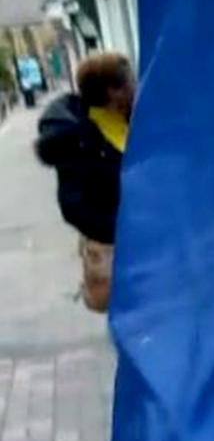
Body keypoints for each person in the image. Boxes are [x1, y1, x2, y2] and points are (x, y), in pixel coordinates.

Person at [34, 52, 135, 312]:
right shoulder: (79, 137)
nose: (136, 85)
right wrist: (121, 231)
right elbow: (72, 205)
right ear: (112, 92)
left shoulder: (134, 120)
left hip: (147, 243)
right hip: (116, 247)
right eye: (129, 82)